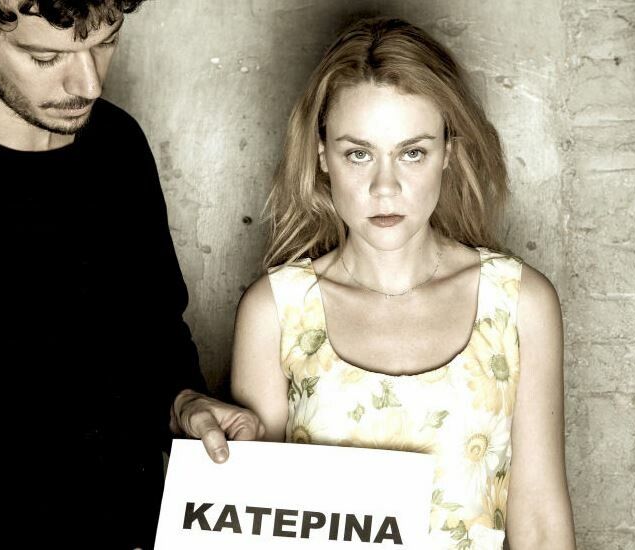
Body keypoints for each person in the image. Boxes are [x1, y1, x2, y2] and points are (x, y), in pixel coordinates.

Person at [0, 1, 260, 547]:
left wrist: (182, 402)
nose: (89, 84)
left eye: (106, 42)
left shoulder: (119, 146)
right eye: (45, 57)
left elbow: (154, 336)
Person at [230, 17, 575, 549]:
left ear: (448, 152)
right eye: (358, 153)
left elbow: (541, 526)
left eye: (412, 152)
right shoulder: (276, 310)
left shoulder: (517, 303)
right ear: (322, 155)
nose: (385, 187)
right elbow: (251, 527)